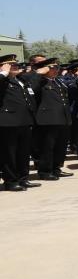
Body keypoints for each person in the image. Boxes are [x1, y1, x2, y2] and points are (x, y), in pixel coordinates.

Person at [21, 57, 73, 180]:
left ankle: (56, 168)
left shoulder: (57, 82)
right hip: (47, 119)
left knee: (60, 146)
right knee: (47, 147)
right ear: (45, 69)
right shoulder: (38, 80)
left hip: (62, 118)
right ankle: (45, 171)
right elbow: (31, 90)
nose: (56, 70)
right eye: (53, 67)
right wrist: (38, 74)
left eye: (57, 67)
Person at [0, 55, 38, 191]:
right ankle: (11, 181)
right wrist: (3, 73)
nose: (15, 66)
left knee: (23, 153)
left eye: (15, 64)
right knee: (9, 154)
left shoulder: (20, 80)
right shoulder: (3, 80)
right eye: (10, 65)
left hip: (24, 121)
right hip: (8, 122)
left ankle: (23, 178)